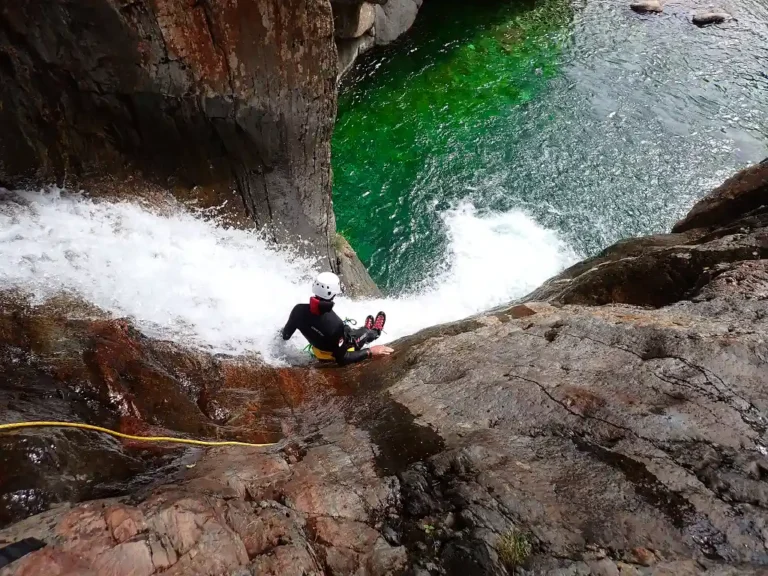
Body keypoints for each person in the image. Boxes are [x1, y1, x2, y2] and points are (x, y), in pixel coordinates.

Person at [281, 272, 393, 365]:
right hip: (334, 351)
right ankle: (374, 331)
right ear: (333, 294)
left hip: (319, 348)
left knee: (347, 328)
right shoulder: (335, 324)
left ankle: (361, 331)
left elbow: (285, 335)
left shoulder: (298, 310)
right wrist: (370, 351)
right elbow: (343, 358)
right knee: (363, 333)